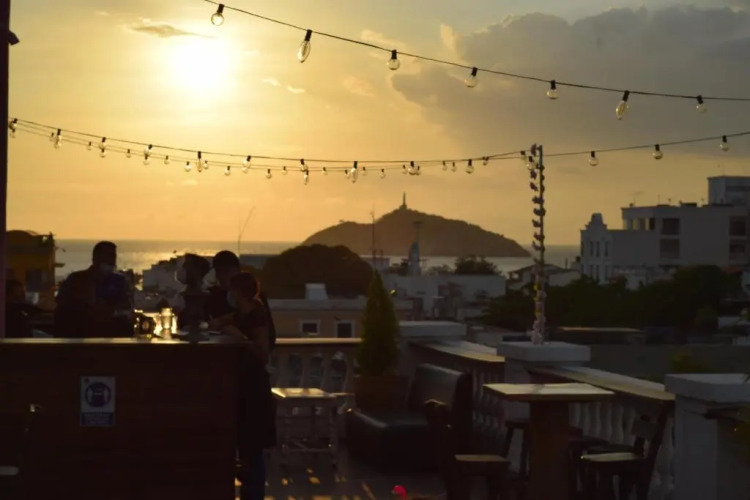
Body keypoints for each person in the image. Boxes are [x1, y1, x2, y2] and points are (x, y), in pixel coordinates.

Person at [221, 272, 275, 500]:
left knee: (253, 448)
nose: (229, 295)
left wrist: (240, 339)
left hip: (254, 389)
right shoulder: (240, 314)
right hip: (242, 387)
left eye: (231, 291)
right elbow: (220, 322)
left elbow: (263, 354)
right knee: (245, 447)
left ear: (239, 293)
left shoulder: (257, 316)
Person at [55, 241, 133, 338]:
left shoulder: (119, 281)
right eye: (107, 256)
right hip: (81, 336)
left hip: (112, 337)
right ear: (95, 259)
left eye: (113, 256)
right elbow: (61, 307)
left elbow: (126, 308)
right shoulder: (76, 279)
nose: (111, 260)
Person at [206, 251, 276, 349]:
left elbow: (266, 343)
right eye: (218, 273)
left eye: (226, 272)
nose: (221, 277)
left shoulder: (257, 309)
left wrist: (241, 338)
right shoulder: (214, 296)